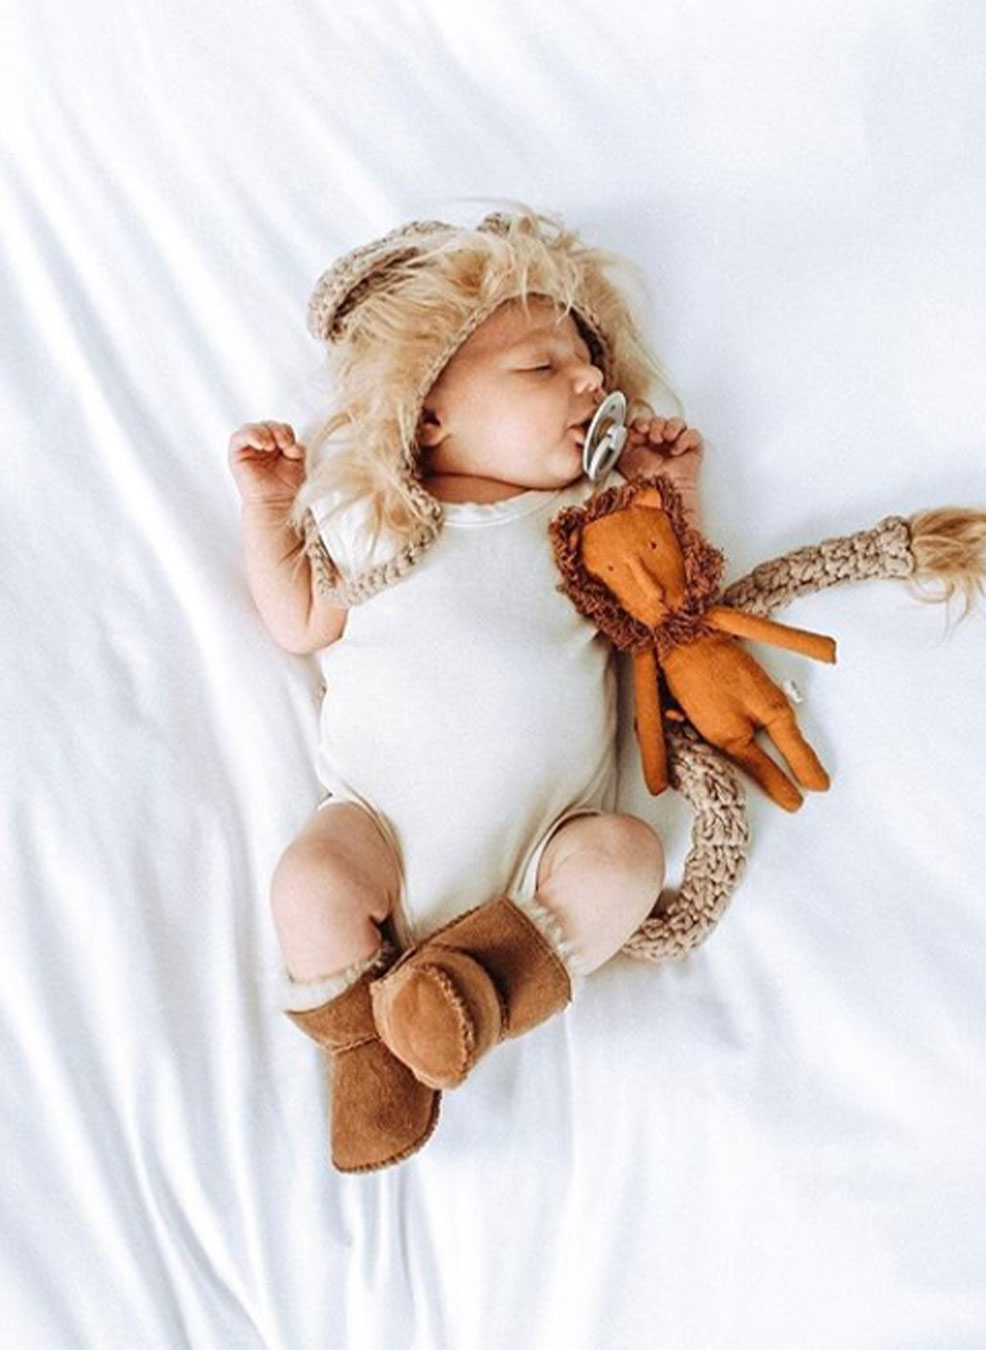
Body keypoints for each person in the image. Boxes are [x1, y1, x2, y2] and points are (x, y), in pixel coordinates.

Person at [227, 209, 704, 1172]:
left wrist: (670, 499)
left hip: (545, 851)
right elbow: (299, 622)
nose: (590, 383)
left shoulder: (586, 523)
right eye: (542, 368)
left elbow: (668, 611)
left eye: (590, 365)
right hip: (379, 832)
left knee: (626, 861)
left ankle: (470, 995)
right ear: (427, 413)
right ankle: (372, 1052)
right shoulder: (371, 515)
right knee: (309, 883)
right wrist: (272, 511)